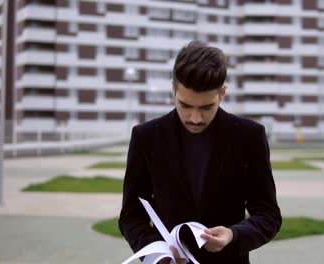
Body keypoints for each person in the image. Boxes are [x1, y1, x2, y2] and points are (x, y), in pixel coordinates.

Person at [119, 41, 281, 264]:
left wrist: (233, 235)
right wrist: (156, 254)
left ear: (222, 93)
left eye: (206, 107)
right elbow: (131, 216)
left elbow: (268, 215)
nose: (195, 118)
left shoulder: (249, 136)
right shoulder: (146, 137)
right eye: (185, 105)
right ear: (173, 89)